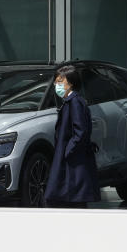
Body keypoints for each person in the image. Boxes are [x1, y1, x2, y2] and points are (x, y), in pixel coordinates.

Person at [44, 65, 100, 208]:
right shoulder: (72, 101)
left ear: (71, 83)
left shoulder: (74, 102)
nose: (56, 85)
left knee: (69, 197)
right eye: (56, 82)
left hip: (72, 160)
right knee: (69, 197)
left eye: (60, 82)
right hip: (71, 157)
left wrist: (68, 151)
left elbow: (80, 131)